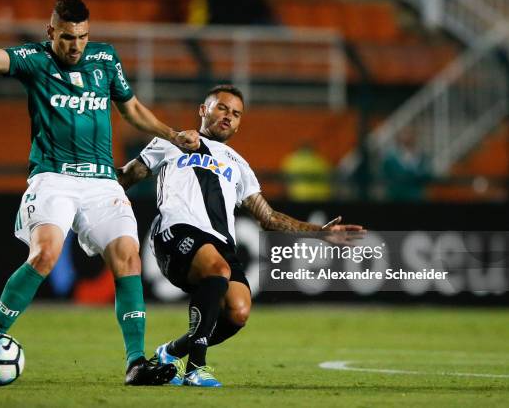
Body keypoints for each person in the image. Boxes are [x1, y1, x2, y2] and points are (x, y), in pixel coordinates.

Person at [0, 0, 200, 385]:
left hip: (101, 181)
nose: (75, 46)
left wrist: (171, 133)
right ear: (50, 32)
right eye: (67, 37)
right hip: (53, 176)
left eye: (82, 37)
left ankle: (136, 364)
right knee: (45, 254)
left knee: (128, 256)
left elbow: (132, 110)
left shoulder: (106, 59)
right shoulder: (34, 60)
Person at [117, 85, 364, 386]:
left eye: (235, 114)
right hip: (175, 231)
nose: (228, 117)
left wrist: (319, 234)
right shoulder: (170, 143)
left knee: (238, 310)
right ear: (203, 110)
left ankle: (170, 352)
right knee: (216, 270)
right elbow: (127, 176)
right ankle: (196, 368)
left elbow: (269, 218)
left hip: (221, 244)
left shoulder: (239, 164)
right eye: (222, 108)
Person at [380, 126, 432, 201]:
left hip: (415, 195)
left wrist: (415, 174)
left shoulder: (422, 156)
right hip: (396, 196)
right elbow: (387, 173)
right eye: (405, 133)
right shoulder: (391, 157)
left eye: (410, 133)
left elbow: (428, 174)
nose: (408, 137)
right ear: (399, 137)